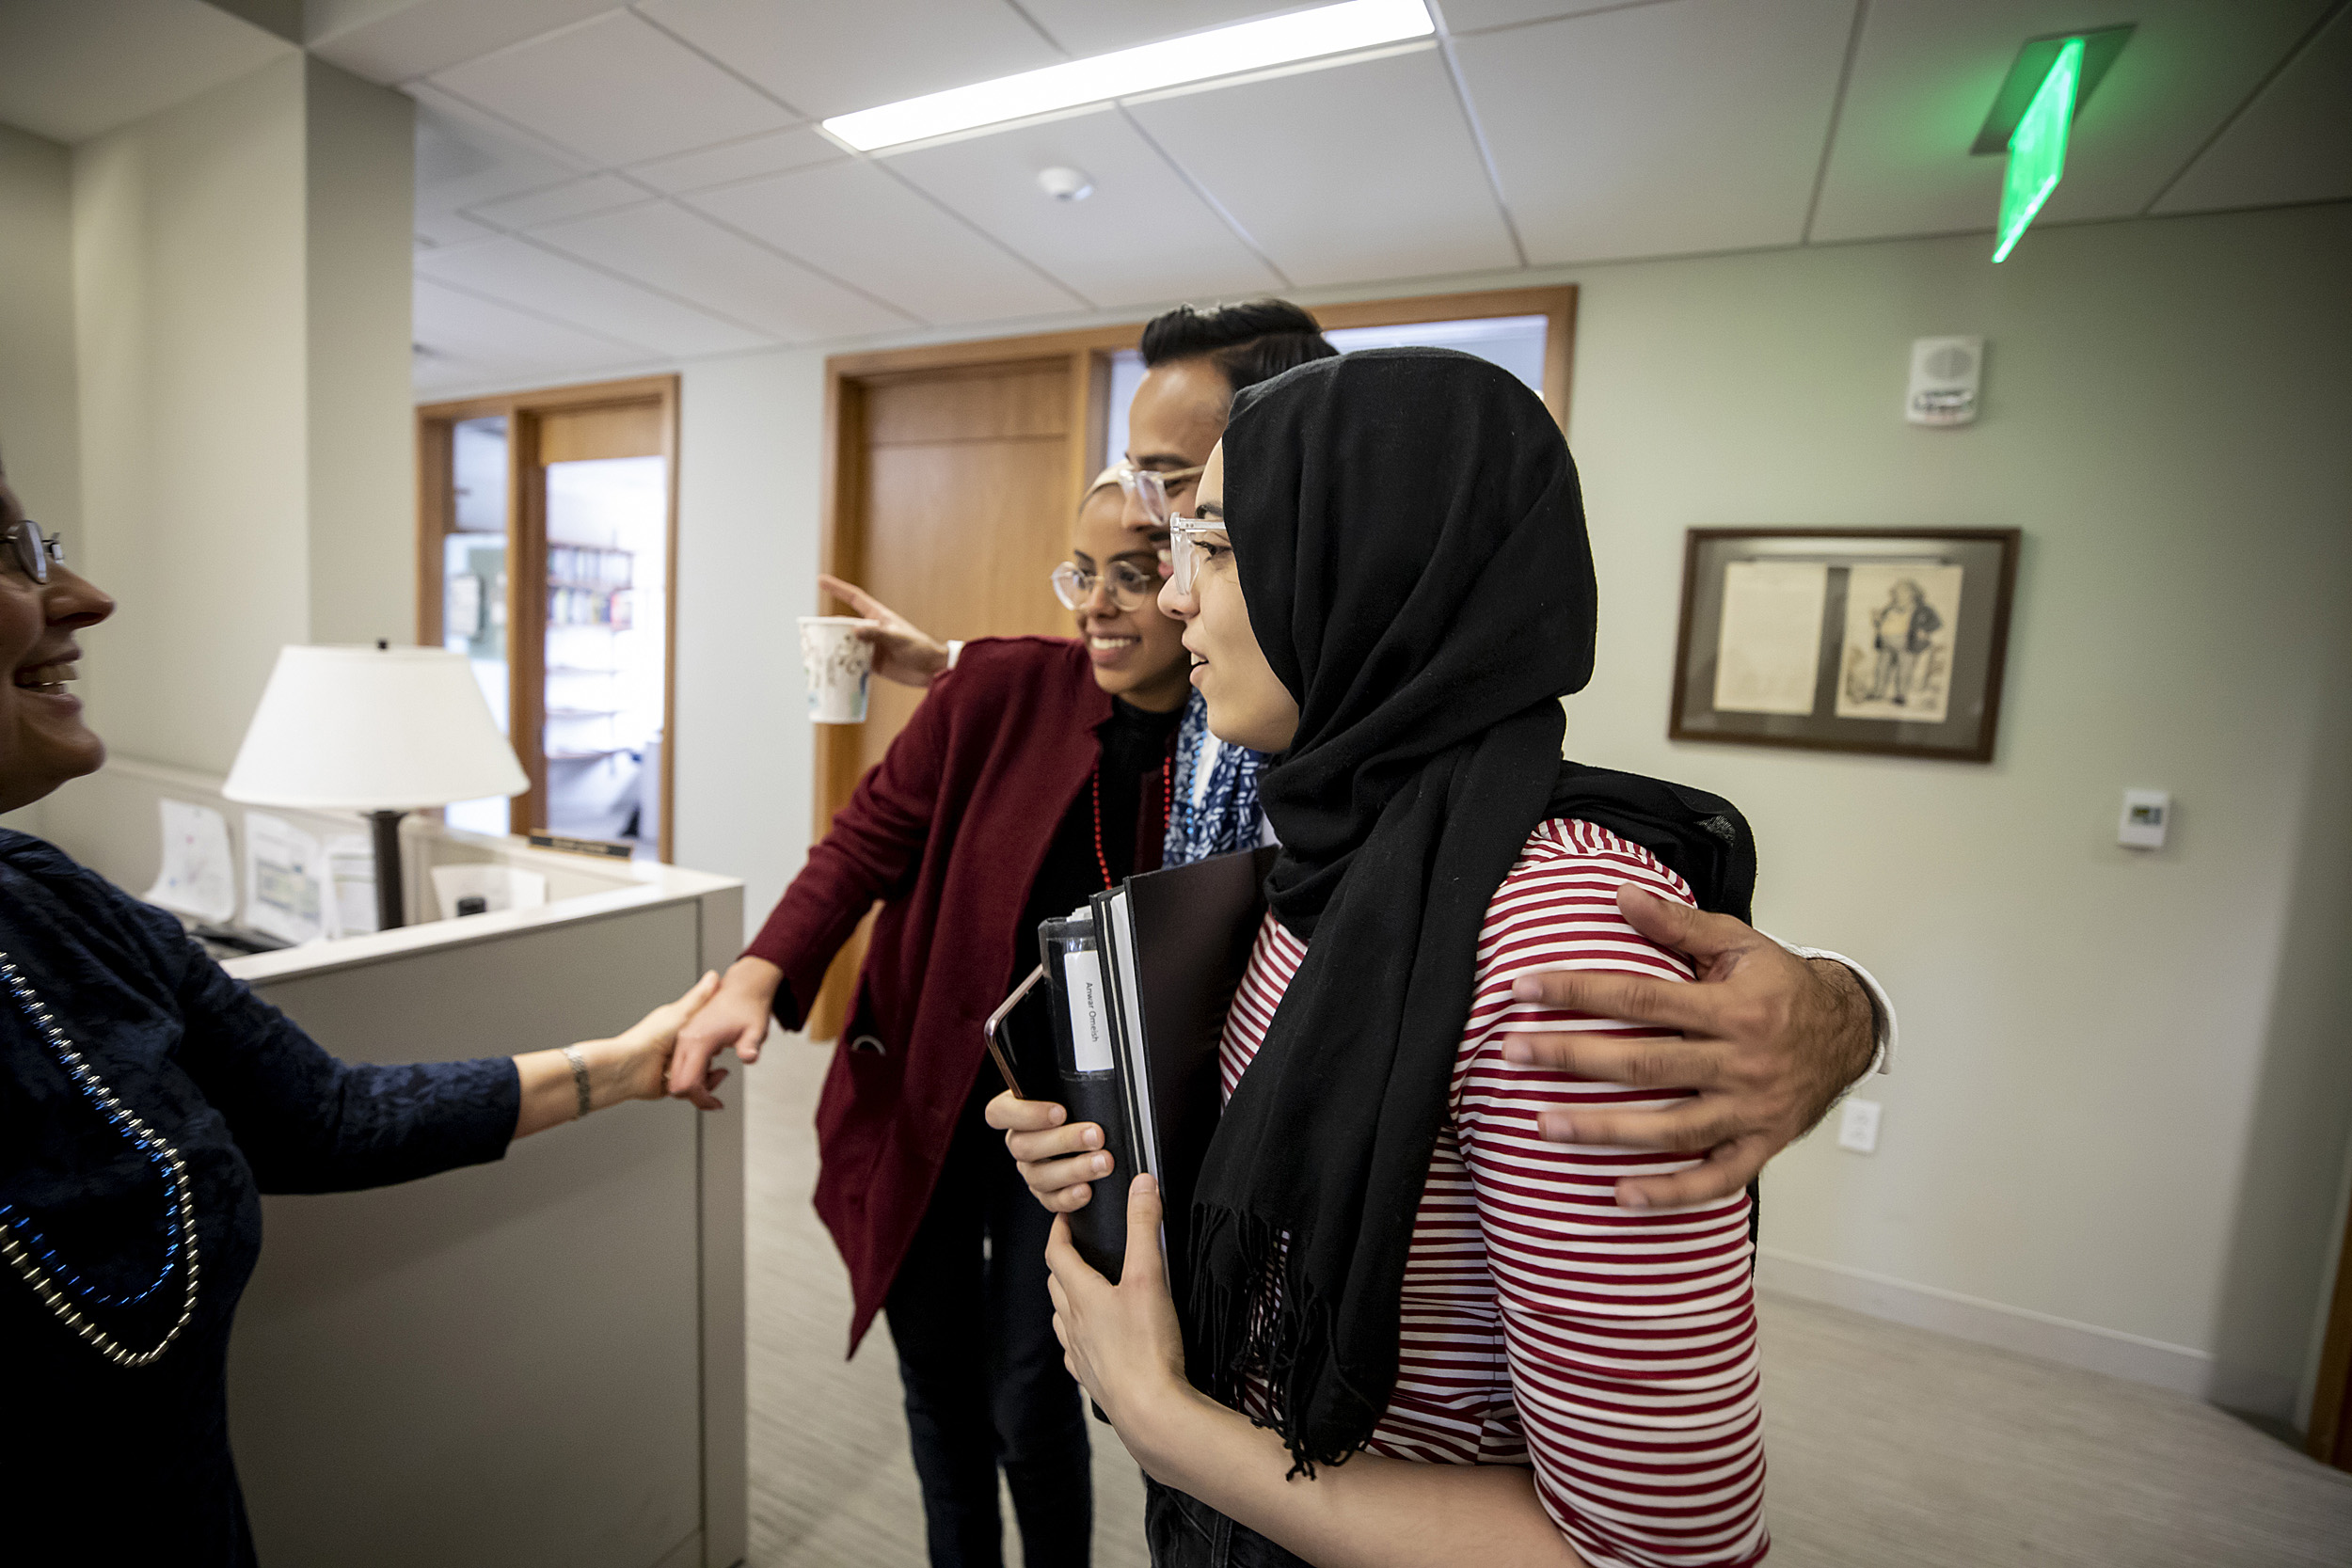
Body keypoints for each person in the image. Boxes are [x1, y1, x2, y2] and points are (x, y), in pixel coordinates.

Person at [853, 298, 1893, 1212]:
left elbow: (1546, 913)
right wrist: (944, 658)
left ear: (1326, 510)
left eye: (1186, 498)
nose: (1144, 523)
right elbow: (1091, 650)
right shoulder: (1239, 703)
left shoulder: (1519, 890)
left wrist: (1844, 1008)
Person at [1034, 348, 1772, 1566]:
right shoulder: (1343, 849)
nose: (1172, 598)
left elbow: (1657, 1549)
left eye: (1216, 546)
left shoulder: (1556, 939)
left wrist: (1169, 1420)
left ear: (1366, 565)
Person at [0, 458, 727, 1568]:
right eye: (15, 555)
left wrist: (624, 1065)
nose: (87, 594)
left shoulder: (57, 907)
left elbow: (326, 1114)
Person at [673, 471, 1228, 1568]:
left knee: (1031, 1385)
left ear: (1193, 579)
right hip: (927, 1085)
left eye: (1137, 570)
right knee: (932, 1369)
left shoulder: (1232, 747)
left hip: (1080, 1125)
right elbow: (864, 839)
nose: (1100, 604)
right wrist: (758, 968)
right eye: (1083, 572)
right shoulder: (1000, 688)